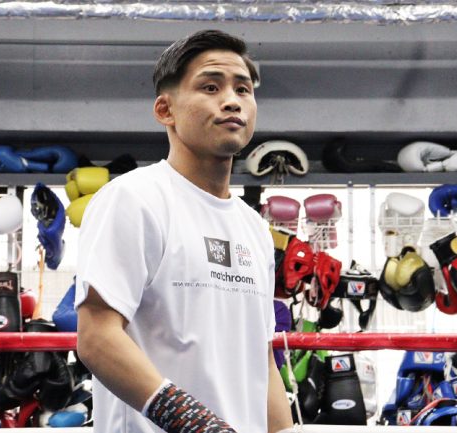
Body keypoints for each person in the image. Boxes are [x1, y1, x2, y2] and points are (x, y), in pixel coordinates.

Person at [75, 29, 294, 433]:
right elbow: (97, 337)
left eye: (243, 89)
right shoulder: (134, 198)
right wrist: (195, 423)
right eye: (210, 87)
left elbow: (261, 362)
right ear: (165, 110)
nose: (232, 101)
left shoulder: (254, 228)